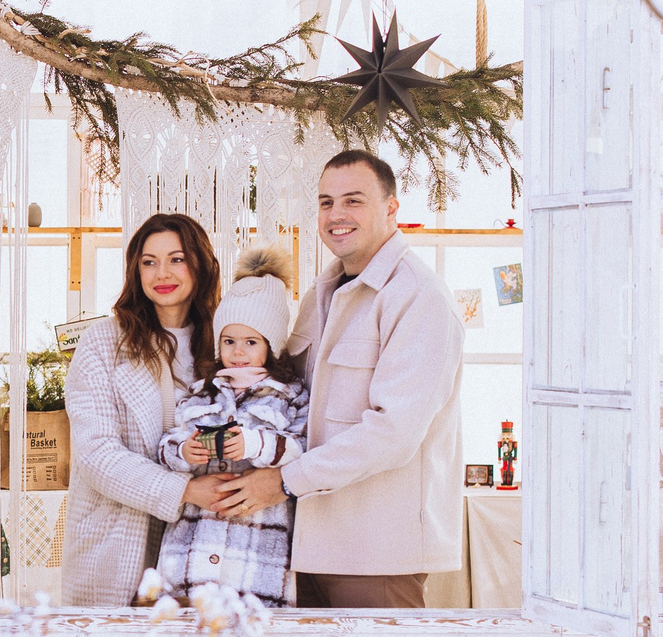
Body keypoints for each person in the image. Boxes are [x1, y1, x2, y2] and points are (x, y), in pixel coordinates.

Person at [201, 149, 462, 609]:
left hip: (376, 553)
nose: (336, 215)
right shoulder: (324, 292)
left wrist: (281, 481)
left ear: (391, 209)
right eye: (325, 202)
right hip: (304, 543)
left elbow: (393, 433)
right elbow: (289, 397)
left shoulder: (419, 298)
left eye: (353, 201)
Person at [59, 213, 241, 607]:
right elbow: (96, 455)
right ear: (135, 270)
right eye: (149, 261)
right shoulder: (103, 343)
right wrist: (186, 490)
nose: (163, 272)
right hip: (118, 542)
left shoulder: (228, 343)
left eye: (177, 259)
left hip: (204, 541)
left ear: (200, 264)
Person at [154, 248, 306, 605]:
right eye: (229, 341)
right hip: (193, 550)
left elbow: (302, 447)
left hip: (255, 555)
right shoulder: (201, 392)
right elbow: (167, 443)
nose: (238, 352)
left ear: (271, 346)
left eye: (251, 342)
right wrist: (182, 451)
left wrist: (255, 445)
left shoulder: (288, 396)